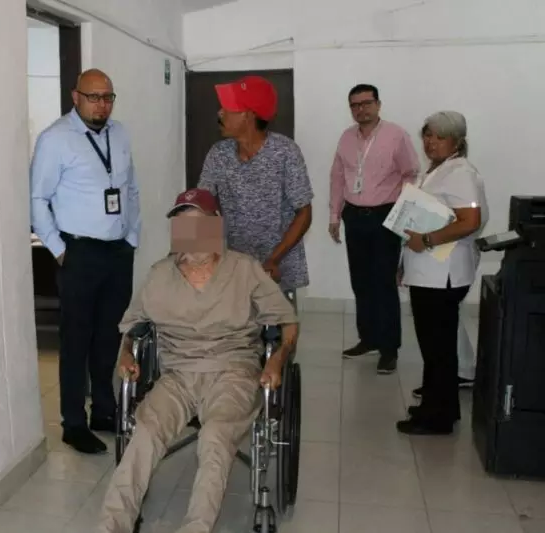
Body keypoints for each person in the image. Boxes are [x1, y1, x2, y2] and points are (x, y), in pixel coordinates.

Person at [98, 188, 299, 533]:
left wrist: (276, 360)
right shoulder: (159, 274)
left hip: (233, 371)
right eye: (182, 224)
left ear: (216, 225)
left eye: (198, 224)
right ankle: (110, 526)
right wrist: (127, 353)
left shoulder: (244, 269)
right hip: (177, 375)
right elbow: (131, 326)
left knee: (216, 435)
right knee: (145, 431)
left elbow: (288, 322)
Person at [30, 69, 141, 454]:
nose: (102, 105)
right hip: (79, 253)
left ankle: (104, 411)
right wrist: (60, 250)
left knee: (109, 335)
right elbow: (37, 200)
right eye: (94, 97)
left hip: (117, 252)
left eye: (108, 97)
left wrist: (132, 237)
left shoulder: (119, 134)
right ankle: (73, 423)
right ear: (75, 97)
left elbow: (130, 189)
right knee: (76, 340)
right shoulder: (56, 139)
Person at [397, 111, 488, 436]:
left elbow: (470, 221)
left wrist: (427, 240)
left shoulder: (460, 172)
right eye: (427, 135)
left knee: (438, 347)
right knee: (435, 346)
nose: (431, 142)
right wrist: (404, 262)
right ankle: (438, 405)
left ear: (457, 141)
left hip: (442, 274)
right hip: (428, 272)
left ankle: (437, 418)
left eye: (439, 137)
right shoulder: (438, 170)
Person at [329, 84, 420, 374]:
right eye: (354, 105)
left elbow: (410, 174)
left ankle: (389, 348)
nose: (361, 109)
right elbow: (337, 177)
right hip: (354, 215)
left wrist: (402, 216)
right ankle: (368, 338)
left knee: (384, 283)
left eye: (366, 103)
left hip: (385, 215)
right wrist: (334, 215)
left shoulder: (396, 135)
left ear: (378, 104)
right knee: (361, 281)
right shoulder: (346, 138)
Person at [197, 75, 313, 300]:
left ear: (248, 115)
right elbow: (201, 205)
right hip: (234, 265)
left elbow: (304, 213)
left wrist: (273, 260)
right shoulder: (218, 154)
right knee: (236, 321)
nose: (220, 113)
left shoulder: (285, 152)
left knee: (277, 321)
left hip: (278, 266)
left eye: (227, 108)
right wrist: (189, 254)